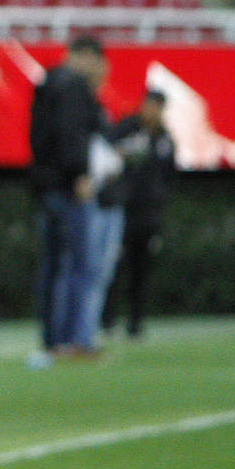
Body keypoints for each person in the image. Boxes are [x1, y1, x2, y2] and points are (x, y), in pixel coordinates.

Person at [29, 35, 110, 365]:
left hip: (47, 186)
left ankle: (53, 339)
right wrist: (79, 173)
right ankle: (74, 340)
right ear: (86, 56)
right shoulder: (73, 86)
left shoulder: (47, 82)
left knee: (54, 267)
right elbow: (72, 134)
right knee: (78, 266)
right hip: (67, 188)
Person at [102, 90, 176, 338]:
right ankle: (107, 320)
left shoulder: (165, 139)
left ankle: (135, 322)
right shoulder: (126, 127)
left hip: (149, 213)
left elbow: (168, 177)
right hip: (122, 208)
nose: (152, 111)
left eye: (157, 106)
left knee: (141, 269)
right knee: (114, 266)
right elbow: (105, 149)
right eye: (149, 105)